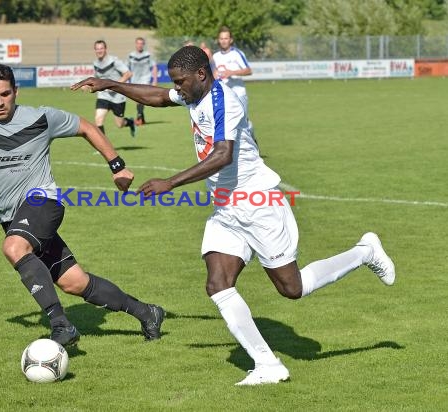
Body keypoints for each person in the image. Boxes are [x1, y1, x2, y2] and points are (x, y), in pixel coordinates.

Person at [71, 46, 396, 385]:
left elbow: (223, 155)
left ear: (201, 74)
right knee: (218, 284)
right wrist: (112, 84)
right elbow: (157, 97)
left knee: (292, 288)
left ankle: (365, 252)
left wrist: (171, 182)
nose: (177, 88)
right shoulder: (193, 95)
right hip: (227, 210)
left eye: (181, 81)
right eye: (175, 82)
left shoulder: (224, 101)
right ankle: (268, 365)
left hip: (259, 206)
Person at [0, 63, 164, 347]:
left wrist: (117, 165)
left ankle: (61, 325)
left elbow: (86, 126)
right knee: (75, 282)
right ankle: (148, 313)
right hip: (12, 218)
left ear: (16, 91)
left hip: (42, 201)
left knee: (13, 248)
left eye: (5, 94)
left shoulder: (41, 117)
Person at [212, 26, 255, 137]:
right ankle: (232, 150)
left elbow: (249, 70)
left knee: (242, 123)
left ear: (231, 40)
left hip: (238, 93)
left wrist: (231, 73)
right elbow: (213, 74)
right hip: (224, 95)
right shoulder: (215, 56)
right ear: (218, 40)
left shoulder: (237, 54)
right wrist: (214, 75)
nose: (224, 41)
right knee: (227, 123)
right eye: (221, 38)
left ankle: (252, 141)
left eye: (226, 38)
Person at [92, 40, 136, 137]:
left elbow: (128, 74)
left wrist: (114, 86)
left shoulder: (114, 61)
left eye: (101, 48)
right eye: (97, 49)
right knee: (98, 119)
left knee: (120, 124)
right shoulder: (95, 64)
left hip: (117, 96)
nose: (99, 51)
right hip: (103, 96)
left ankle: (130, 122)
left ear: (105, 49)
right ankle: (103, 148)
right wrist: (87, 85)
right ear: (95, 50)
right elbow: (96, 78)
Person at [127, 37, 158, 125]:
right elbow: (126, 68)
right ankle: (142, 117)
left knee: (141, 98)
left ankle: (139, 116)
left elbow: (154, 67)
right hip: (134, 80)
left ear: (143, 45)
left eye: (141, 43)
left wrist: (155, 80)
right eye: (138, 43)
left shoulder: (148, 55)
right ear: (135, 44)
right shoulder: (131, 55)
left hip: (145, 79)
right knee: (138, 100)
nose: (140, 45)